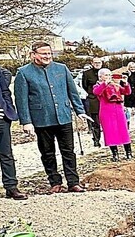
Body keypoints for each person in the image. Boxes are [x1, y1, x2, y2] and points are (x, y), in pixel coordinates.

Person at [14, 42, 91, 194]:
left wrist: (79, 110)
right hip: (41, 118)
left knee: (68, 151)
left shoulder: (61, 69)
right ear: (33, 55)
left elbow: (72, 92)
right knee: (47, 153)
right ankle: (55, 182)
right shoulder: (23, 73)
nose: (47, 56)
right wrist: (26, 121)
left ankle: (73, 182)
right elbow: (21, 100)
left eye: (49, 54)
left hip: (63, 116)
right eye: (43, 54)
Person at [0, 62, 26, 200]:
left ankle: (11, 187)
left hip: (1, 117)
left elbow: (5, 90)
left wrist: (8, 108)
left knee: (6, 154)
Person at [93, 69, 133, 161]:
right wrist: (105, 83)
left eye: (109, 75)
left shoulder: (114, 85)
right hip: (106, 112)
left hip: (118, 110)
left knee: (123, 131)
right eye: (106, 75)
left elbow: (127, 92)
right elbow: (96, 92)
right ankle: (115, 154)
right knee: (110, 133)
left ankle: (129, 152)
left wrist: (126, 83)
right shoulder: (98, 85)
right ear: (100, 77)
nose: (109, 77)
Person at [81, 57, 104, 147]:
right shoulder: (87, 73)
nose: (97, 64)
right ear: (92, 63)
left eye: (99, 62)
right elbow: (85, 85)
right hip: (93, 99)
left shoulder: (105, 72)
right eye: (95, 62)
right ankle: (96, 139)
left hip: (105, 99)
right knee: (95, 122)